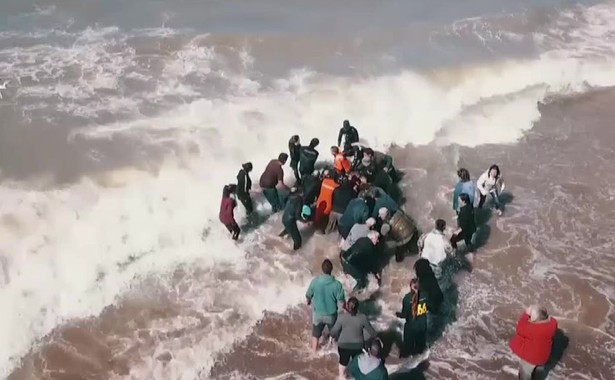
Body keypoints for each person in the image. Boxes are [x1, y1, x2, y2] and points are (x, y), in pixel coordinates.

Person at [396, 259, 443, 357]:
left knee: (407, 349)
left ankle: (405, 365)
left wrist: (398, 315)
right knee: (419, 349)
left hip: (411, 328)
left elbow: (405, 314)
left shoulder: (407, 298)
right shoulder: (426, 294)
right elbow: (430, 306)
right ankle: (417, 361)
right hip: (422, 327)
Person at [330, 297, 377, 379]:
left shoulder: (341, 317)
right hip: (358, 346)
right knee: (357, 364)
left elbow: (334, 331)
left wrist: (331, 336)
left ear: (347, 306)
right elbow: (371, 332)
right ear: (358, 307)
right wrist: (377, 338)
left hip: (343, 346)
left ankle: (342, 377)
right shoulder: (363, 317)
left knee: (343, 362)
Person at [306, 259, 346, 352]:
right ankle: (334, 350)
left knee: (315, 334)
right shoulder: (337, 284)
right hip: (331, 315)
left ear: (322, 269)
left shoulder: (315, 282)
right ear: (331, 269)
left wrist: (308, 302)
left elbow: (308, 295)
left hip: (318, 314)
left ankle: (314, 353)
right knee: (334, 334)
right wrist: (345, 308)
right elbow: (342, 302)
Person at [509, 305, 558, 380]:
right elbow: (550, 319)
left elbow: (520, 328)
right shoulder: (553, 323)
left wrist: (526, 314)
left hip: (531, 359)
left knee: (525, 375)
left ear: (535, 319)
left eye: (531, 314)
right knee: (538, 373)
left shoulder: (532, 330)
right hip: (543, 357)